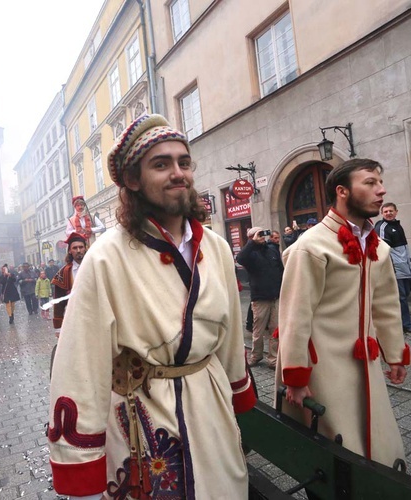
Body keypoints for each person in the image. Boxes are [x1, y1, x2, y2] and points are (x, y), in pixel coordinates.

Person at [48, 114, 256, 498]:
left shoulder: (217, 248)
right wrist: (80, 461)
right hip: (142, 420)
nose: (178, 173)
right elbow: (80, 361)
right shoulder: (106, 257)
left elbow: (227, 341)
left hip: (210, 409)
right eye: (161, 164)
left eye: (184, 162)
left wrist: (237, 390)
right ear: (132, 180)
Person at [276, 158, 410, 469]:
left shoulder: (380, 247)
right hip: (324, 369)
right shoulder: (310, 246)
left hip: (366, 364)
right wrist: (295, 376)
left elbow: (387, 306)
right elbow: (295, 315)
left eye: (380, 182)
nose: (381, 190)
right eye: (370, 182)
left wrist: (394, 355)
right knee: (333, 453)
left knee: (376, 446)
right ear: (342, 191)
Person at [236, 226, 283, 368]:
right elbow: (240, 258)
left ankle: (273, 359)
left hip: (276, 296)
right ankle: (256, 356)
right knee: (258, 330)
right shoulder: (250, 254)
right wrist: (252, 243)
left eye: (263, 233)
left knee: (275, 330)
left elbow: (280, 270)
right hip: (260, 298)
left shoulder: (272, 250)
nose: (262, 236)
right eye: (258, 234)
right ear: (251, 237)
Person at [374, 203, 411, 334]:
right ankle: (406, 325)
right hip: (395, 268)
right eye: (385, 211)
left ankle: (397, 320)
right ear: (382, 213)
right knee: (401, 297)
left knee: (405, 293)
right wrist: (390, 268)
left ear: (396, 212)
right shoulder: (382, 227)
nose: (388, 213)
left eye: (391, 211)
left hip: (404, 265)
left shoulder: (397, 225)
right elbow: (382, 250)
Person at [51, 232, 87, 334]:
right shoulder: (64, 272)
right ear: (70, 251)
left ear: (85, 248)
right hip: (75, 318)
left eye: (81, 247)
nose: (78, 250)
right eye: (75, 248)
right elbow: (59, 301)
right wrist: (58, 327)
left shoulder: (95, 266)